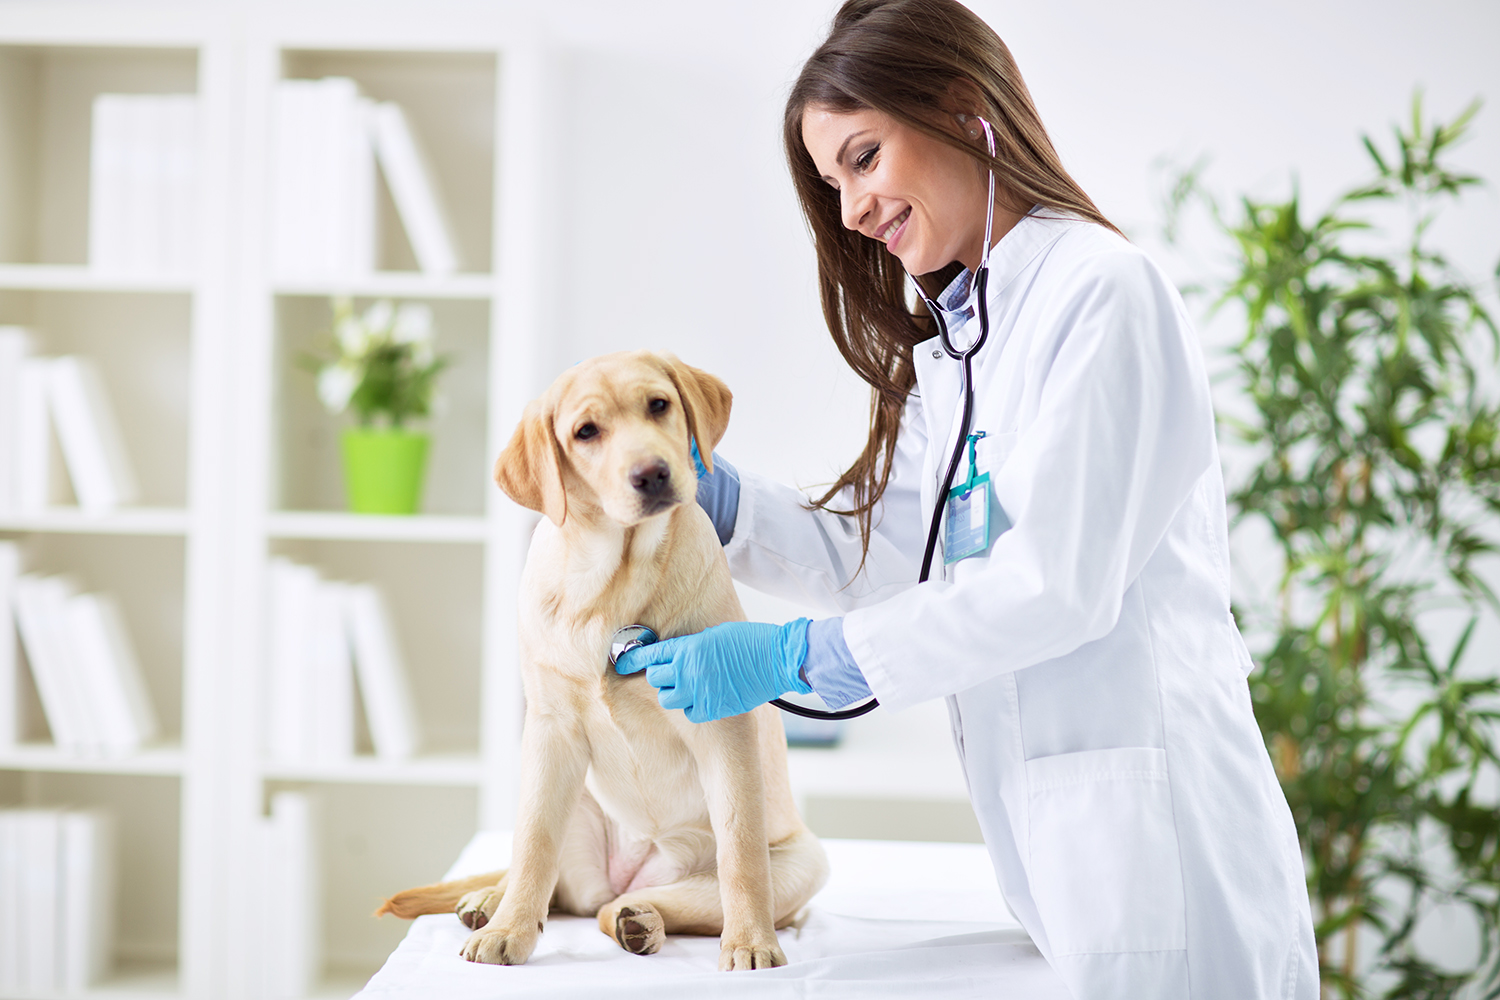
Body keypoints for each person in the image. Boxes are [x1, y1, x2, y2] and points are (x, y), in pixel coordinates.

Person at [615, 1, 1318, 996]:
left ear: (962, 111)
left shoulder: (1101, 293)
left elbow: (1052, 586)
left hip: (1162, 862)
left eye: (862, 158)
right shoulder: (960, 345)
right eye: (832, 182)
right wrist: (722, 505)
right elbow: (896, 557)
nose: (851, 209)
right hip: (1066, 860)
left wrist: (793, 658)